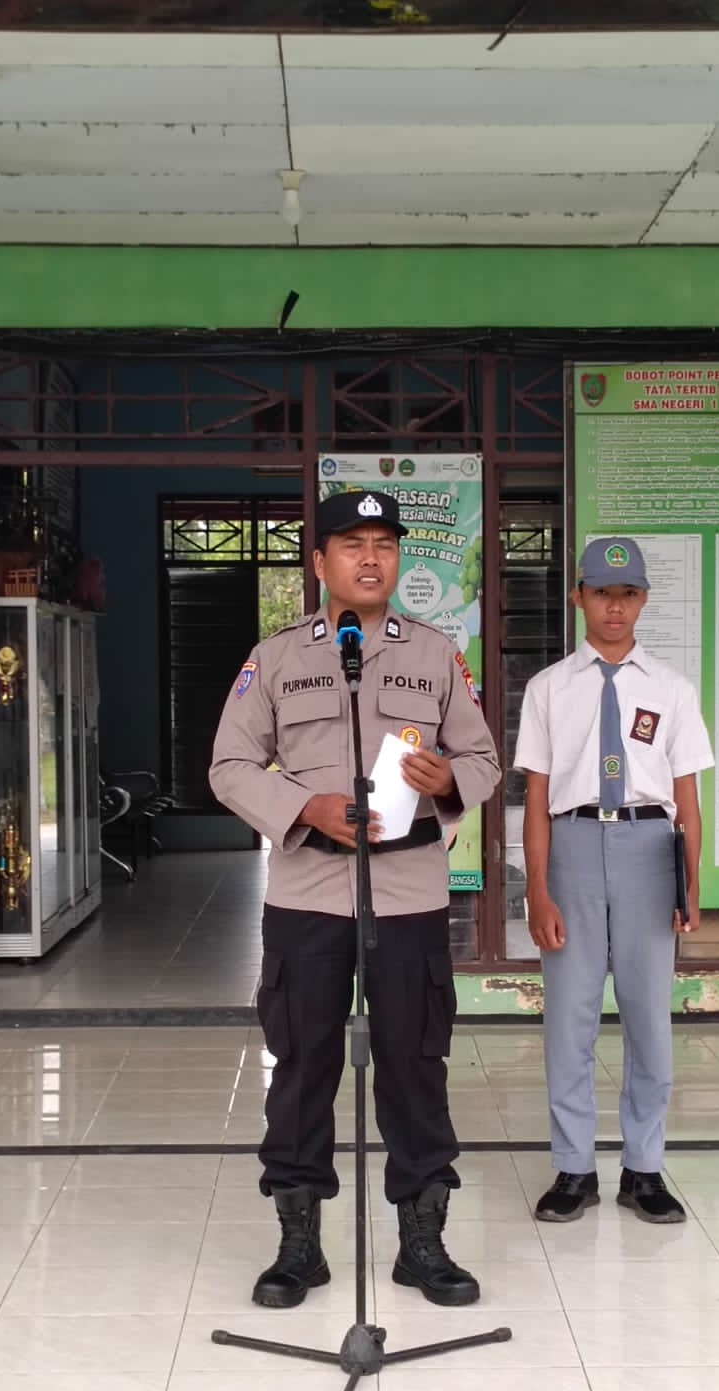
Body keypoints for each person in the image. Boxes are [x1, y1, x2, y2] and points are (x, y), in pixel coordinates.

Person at [210, 489, 501, 1308]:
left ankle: (422, 1238)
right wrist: (302, 807)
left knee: (414, 1061)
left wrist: (452, 778)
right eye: (351, 545)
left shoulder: (439, 655)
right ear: (320, 562)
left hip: (407, 890)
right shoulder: (274, 659)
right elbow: (228, 766)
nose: (370, 558)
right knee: (302, 1063)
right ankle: (299, 1243)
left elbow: (481, 756)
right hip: (308, 891)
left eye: (383, 543)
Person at [514, 537, 713, 1225]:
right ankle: (573, 1167)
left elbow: (686, 800)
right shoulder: (548, 689)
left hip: (647, 847)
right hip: (571, 843)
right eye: (602, 592)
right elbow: (536, 800)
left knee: (648, 1019)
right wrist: (537, 889)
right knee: (568, 1021)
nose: (615, 606)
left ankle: (643, 1168)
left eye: (627, 594)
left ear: (644, 600)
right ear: (579, 598)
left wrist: (689, 885)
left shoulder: (673, 690)